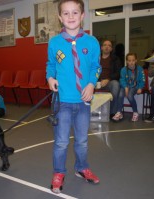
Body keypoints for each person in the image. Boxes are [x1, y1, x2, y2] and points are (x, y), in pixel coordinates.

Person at [46, 0, 101, 194]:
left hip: (83, 102)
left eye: (75, 12)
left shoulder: (92, 42)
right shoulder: (54, 43)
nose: (71, 17)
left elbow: (96, 67)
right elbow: (50, 65)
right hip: (63, 102)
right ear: (60, 17)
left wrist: (91, 83)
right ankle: (59, 172)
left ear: (83, 16)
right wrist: (50, 77)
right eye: (66, 13)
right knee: (61, 141)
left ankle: (81, 167)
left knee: (82, 140)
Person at [112, 53, 145, 122]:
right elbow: (122, 80)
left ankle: (135, 112)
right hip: (125, 86)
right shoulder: (123, 70)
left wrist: (140, 88)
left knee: (130, 96)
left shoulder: (140, 69)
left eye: (133, 60)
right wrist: (125, 87)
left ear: (136, 60)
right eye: (129, 61)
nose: (131, 62)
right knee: (120, 94)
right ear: (126, 61)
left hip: (135, 86)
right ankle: (119, 112)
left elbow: (142, 80)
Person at [98, 39, 122, 118]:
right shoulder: (96, 59)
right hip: (97, 82)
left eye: (109, 46)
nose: (107, 47)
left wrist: (108, 79)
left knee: (115, 84)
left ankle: (111, 112)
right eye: (105, 45)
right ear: (101, 47)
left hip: (109, 82)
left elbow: (118, 73)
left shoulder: (116, 59)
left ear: (111, 49)